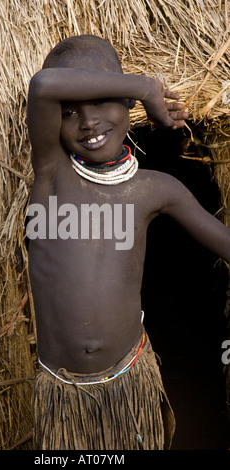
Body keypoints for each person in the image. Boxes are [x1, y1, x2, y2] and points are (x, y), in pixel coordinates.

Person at [26, 35, 230, 450]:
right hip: (61, 393)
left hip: (129, 383)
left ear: (126, 107)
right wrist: (146, 88)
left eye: (102, 100)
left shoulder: (155, 190)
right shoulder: (52, 177)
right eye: (71, 112)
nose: (88, 122)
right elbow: (44, 86)